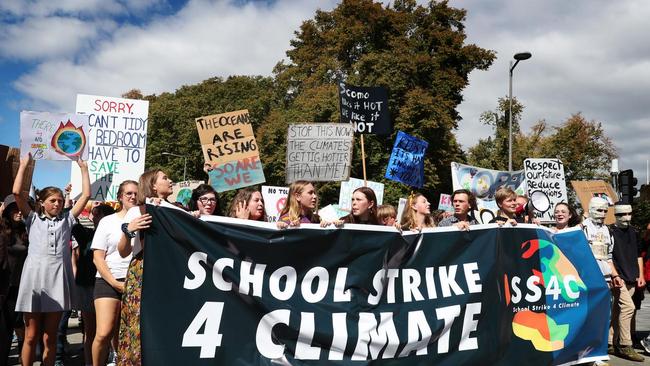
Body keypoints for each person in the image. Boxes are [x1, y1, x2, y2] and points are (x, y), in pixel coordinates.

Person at [12, 153, 91, 366]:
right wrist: (24, 166)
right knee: (30, 335)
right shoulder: (32, 219)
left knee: (50, 337)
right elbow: (17, 192)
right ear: (42, 202)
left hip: (57, 281)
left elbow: (85, 196)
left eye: (60, 200)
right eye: (52, 200)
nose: (57, 203)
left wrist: (83, 168)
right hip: (34, 282)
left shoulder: (67, 219)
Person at [116, 169, 189, 365]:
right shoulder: (138, 210)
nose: (171, 180)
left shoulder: (178, 211)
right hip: (145, 272)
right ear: (153, 186)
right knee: (139, 325)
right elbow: (122, 251)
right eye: (165, 178)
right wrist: (129, 230)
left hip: (172, 274)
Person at [91, 181, 138, 366]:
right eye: (128, 193)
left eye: (136, 193)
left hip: (135, 281)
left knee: (126, 334)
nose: (133, 197)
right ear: (120, 197)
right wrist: (114, 282)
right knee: (104, 333)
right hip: (107, 281)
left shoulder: (145, 220)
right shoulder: (107, 221)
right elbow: (98, 258)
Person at [72, 204, 116, 366]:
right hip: (87, 286)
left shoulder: (116, 234)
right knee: (90, 330)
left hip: (108, 285)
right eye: (92, 214)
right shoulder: (86, 234)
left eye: (96, 214)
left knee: (108, 330)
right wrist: (71, 199)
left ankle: (110, 359)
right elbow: (70, 219)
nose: (92, 217)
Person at [607, 204, 645, 361]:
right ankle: (625, 344)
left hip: (631, 276)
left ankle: (610, 342)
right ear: (616, 215)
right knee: (628, 308)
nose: (627, 217)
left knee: (617, 310)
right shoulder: (609, 231)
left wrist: (640, 275)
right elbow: (608, 255)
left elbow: (638, 255)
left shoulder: (634, 232)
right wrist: (615, 275)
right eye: (623, 214)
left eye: (629, 213)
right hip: (617, 276)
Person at [1, 195, 29, 362]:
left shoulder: (27, 230)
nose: (19, 212)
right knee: (5, 329)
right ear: (7, 210)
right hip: (4, 286)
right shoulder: (1, 229)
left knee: (19, 325)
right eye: (15, 209)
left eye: (21, 209)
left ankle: (23, 355)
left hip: (21, 285)